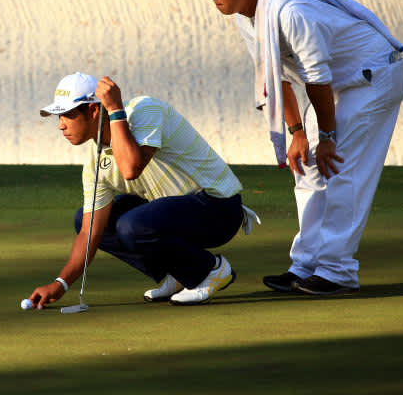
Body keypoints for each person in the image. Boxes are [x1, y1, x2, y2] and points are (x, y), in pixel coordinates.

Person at [193, 0, 403, 295]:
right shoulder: (248, 18)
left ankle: (337, 271)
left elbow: (316, 78)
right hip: (338, 84)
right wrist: (297, 134)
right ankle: (306, 265)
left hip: (371, 78)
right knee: (307, 166)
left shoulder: (292, 12)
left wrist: (327, 137)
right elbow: (274, 79)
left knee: (339, 167)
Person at [25, 71, 258, 309]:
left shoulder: (146, 111)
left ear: (94, 110)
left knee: (132, 225)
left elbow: (130, 168)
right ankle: (175, 275)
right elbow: (89, 233)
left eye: (67, 115)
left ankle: (210, 270)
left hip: (219, 209)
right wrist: (60, 284)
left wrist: (114, 109)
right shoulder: (95, 164)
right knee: (88, 219)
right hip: (177, 215)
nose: (60, 125)